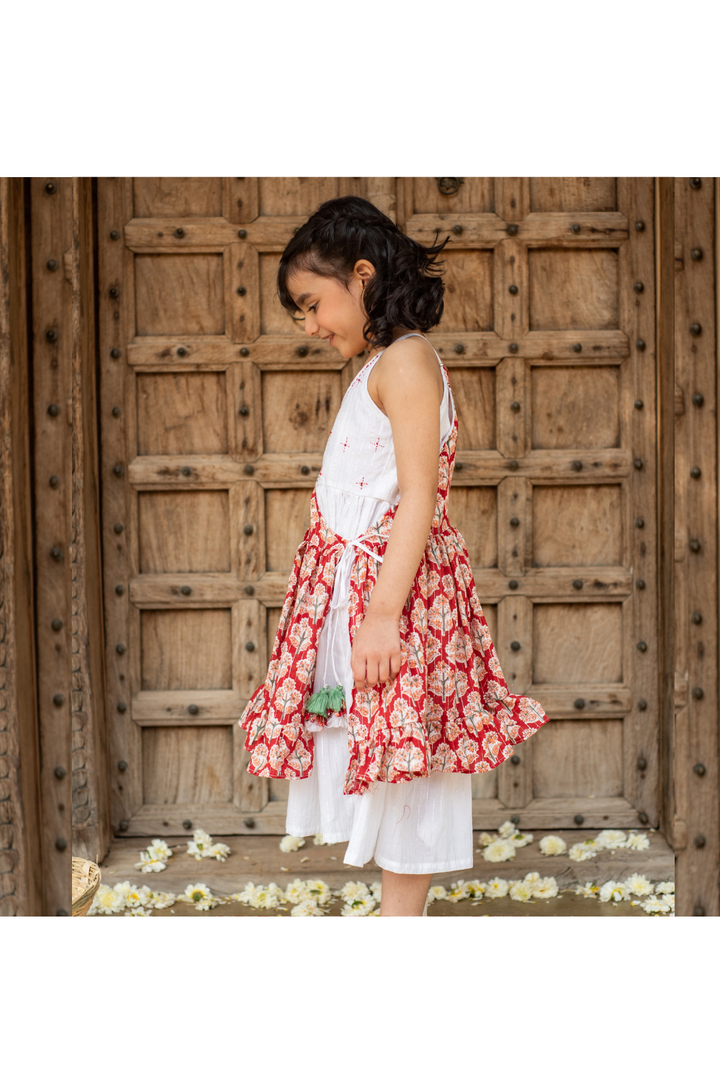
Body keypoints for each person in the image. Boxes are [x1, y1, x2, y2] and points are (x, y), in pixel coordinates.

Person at [239, 195, 550, 916]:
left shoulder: (406, 362)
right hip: (360, 588)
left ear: (363, 274)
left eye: (314, 303)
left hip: (391, 596)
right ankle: (395, 917)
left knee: (411, 758)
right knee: (384, 748)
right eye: (300, 312)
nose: (308, 324)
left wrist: (381, 617)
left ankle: (400, 921)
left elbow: (418, 497)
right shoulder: (382, 361)